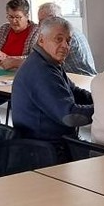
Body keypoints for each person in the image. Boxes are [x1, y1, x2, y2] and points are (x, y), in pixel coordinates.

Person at [10, 15, 94, 144]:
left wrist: (101, 100)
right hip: (44, 148)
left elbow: (74, 92)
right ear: (41, 40)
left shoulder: (47, 62)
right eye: (58, 39)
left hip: (48, 142)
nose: (65, 45)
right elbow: (70, 117)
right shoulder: (41, 71)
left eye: (68, 41)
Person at [0, 0, 40, 122]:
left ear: (27, 16)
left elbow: (35, 58)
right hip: (1, 76)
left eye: (18, 17)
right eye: (10, 17)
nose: (13, 21)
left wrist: (7, 58)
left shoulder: (36, 31)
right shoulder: (4, 29)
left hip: (23, 77)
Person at [37, 2, 96, 76]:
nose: (41, 25)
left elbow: (45, 62)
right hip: (74, 78)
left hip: (82, 79)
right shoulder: (65, 31)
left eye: (48, 21)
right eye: (41, 21)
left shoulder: (67, 36)